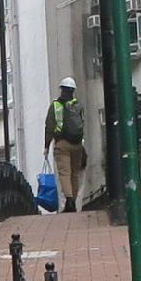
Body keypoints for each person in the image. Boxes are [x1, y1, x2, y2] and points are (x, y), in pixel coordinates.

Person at [45, 78, 89, 212]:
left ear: (62, 89)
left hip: (62, 143)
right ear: (73, 91)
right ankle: (74, 202)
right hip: (77, 144)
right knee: (75, 174)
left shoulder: (55, 106)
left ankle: (69, 201)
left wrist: (46, 146)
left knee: (64, 173)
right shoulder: (78, 106)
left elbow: (49, 127)